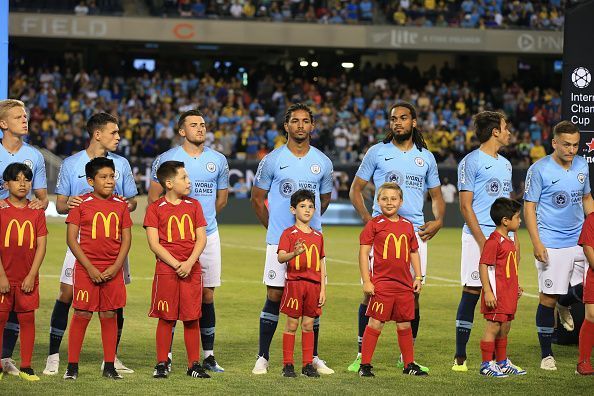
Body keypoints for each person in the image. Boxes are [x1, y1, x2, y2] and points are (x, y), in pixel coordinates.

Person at [348, 102, 444, 372]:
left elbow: (436, 197)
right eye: (393, 119)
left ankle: (407, 356)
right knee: (370, 294)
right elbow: (356, 191)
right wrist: (371, 222)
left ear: (414, 122)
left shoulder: (426, 157)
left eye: (403, 118)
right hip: (382, 233)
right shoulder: (377, 152)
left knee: (413, 296)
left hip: (414, 232)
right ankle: (360, 354)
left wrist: (438, 221)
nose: (397, 122)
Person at [41, 112, 138, 376]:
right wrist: (74, 203)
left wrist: (119, 205)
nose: (118, 137)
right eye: (114, 132)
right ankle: (54, 356)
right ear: (98, 134)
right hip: (83, 240)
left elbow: (132, 200)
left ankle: (112, 358)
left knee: (113, 302)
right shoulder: (72, 164)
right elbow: (60, 204)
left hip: (113, 241)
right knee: (66, 294)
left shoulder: (122, 164)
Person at [251, 103, 334, 375]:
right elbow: (257, 198)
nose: (300, 125)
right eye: (295, 121)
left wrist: (310, 228)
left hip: (312, 242)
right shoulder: (273, 159)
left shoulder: (323, 162)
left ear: (312, 126)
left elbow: (324, 200)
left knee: (312, 297)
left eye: (305, 121)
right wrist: (274, 230)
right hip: (278, 241)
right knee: (274, 294)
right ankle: (263, 357)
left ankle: (313, 357)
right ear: (286, 126)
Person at [148, 109, 229, 372]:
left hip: (205, 235)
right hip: (171, 241)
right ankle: (166, 358)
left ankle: (207, 356)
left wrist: (200, 225)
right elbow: (154, 198)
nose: (201, 128)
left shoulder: (218, 160)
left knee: (206, 296)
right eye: (194, 125)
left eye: (203, 124)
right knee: (170, 301)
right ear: (182, 131)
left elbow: (222, 199)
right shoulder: (167, 159)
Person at [523, 120, 593, 371]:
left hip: (579, 240)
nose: (571, 150)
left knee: (588, 286)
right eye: (566, 145)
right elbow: (529, 207)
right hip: (551, 242)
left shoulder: (582, 165)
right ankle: (546, 354)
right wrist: (537, 242)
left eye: (575, 145)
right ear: (554, 143)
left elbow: (586, 198)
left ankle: (566, 302)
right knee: (547, 298)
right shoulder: (539, 169)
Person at [452, 111, 513, 372]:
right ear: (494, 132)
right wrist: (482, 240)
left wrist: (512, 240)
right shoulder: (470, 162)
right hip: (478, 236)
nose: (509, 131)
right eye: (505, 127)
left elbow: (509, 209)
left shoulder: (507, 164)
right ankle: (460, 357)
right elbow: (466, 207)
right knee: (473, 291)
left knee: (504, 298)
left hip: (503, 238)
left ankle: (500, 359)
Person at [62, 157, 132, 380]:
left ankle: (109, 366)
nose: (109, 181)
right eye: (103, 177)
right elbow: (72, 239)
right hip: (86, 269)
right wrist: (90, 267)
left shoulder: (121, 205)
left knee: (109, 313)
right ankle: (72, 366)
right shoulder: (80, 204)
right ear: (91, 181)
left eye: (112, 176)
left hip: (113, 269)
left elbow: (127, 239)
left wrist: (116, 266)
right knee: (82, 312)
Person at [145, 161, 210, 379]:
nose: (189, 181)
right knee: (166, 317)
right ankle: (162, 362)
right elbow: (154, 244)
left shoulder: (194, 205)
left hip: (191, 269)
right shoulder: (155, 208)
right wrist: (176, 264)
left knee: (192, 317)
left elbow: (201, 238)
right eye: (184, 177)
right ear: (169, 183)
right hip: (167, 271)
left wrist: (190, 262)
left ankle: (194, 364)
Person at [357, 182, 426, 377]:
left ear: (401, 201)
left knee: (404, 324)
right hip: (382, 284)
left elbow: (414, 251)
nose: (389, 202)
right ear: (378, 201)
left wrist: (418, 276)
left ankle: (408, 365)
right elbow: (363, 254)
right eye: (384, 199)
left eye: (393, 199)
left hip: (404, 285)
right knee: (375, 323)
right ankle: (365, 365)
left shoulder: (406, 225)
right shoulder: (374, 224)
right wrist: (367, 281)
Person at [0, 99, 49, 377]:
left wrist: (36, 205)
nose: (25, 119)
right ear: (3, 124)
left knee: (20, 307)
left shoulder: (35, 156)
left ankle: (7, 358)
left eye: (26, 116)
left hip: (22, 234)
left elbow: (41, 198)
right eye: (18, 116)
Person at [277, 189, 326, 378]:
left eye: (311, 206)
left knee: (308, 324)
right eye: (302, 206)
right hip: (295, 284)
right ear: (293, 209)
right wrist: (294, 254)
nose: (307, 210)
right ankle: (288, 365)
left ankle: (307, 365)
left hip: (313, 286)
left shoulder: (318, 236)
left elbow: (322, 264)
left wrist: (323, 289)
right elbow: (281, 257)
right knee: (291, 324)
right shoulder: (288, 234)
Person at [478, 198, 526, 377]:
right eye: (517, 217)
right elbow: (483, 265)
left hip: (509, 292)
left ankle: (502, 362)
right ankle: (486, 364)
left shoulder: (509, 240)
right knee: (493, 326)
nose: (520, 221)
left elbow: (510, 267)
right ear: (506, 221)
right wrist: (488, 291)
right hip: (496, 294)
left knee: (505, 326)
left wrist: (515, 286)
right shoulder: (494, 241)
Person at [576, 209, 594, 375]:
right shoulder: (592, 219)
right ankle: (583, 362)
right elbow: (588, 249)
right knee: (592, 316)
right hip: (593, 275)